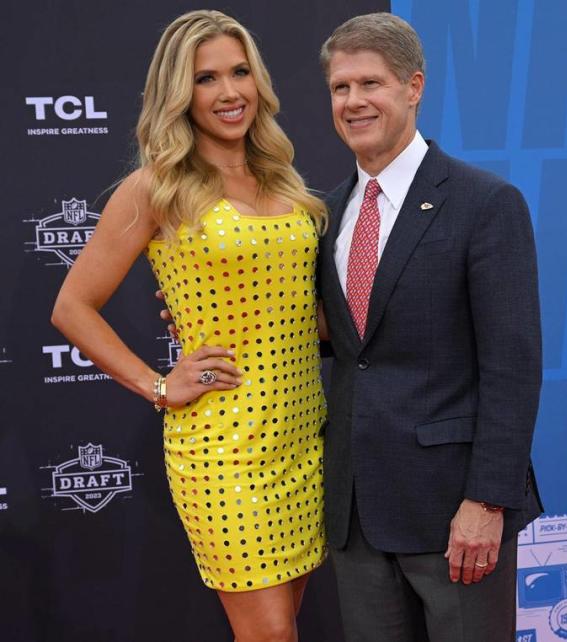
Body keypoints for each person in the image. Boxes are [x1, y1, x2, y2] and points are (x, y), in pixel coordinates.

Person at [51, 10, 328, 642]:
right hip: (225, 448)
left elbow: (304, 311)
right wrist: (158, 385)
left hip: (305, 437)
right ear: (181, 94)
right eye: (207, 79)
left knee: (284, 628)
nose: (230, 92)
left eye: (239, 73)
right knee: (270, 637)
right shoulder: (156, 188)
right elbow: (72, 306)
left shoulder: (283, 179)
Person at [317, 13, 543, 641]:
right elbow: (338, 336)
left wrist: (487, 501)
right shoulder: (324, 213)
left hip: (453, 512)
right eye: (341, 88)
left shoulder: (485, 203)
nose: (354, 102)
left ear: (413, 87)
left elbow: (513, 365)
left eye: (371, 84)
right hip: (355, 512)